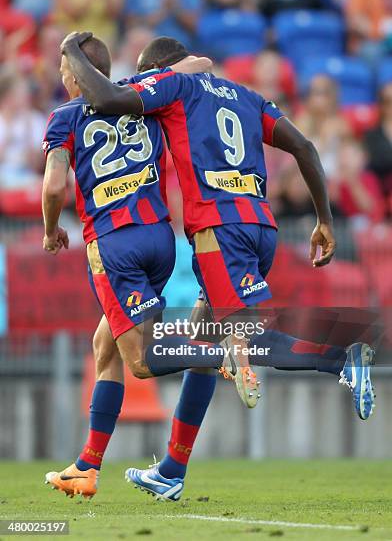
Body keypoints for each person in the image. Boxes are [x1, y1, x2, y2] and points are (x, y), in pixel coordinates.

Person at [62, 33, 376, 500]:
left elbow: (107, 96)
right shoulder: (249, 96)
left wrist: (69, 50)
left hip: (218, 230)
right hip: (260, 226)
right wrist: (325, 221)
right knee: (203, 334)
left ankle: (341, 359)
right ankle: (172, 470)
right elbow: (306, 147)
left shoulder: (174, 87)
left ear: (161, 71)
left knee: (241, 339)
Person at [42, 35, 250, 501]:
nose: (60, 75)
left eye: (62, 68)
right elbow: (201, 62)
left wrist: (50, 229)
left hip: (115, 245)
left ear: (74, 75)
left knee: (139, 360)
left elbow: (56, 186)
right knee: (106, 342)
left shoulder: (62, 119)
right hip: (160, 237)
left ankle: (221, 355)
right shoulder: (141, 95)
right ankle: (87, 466)